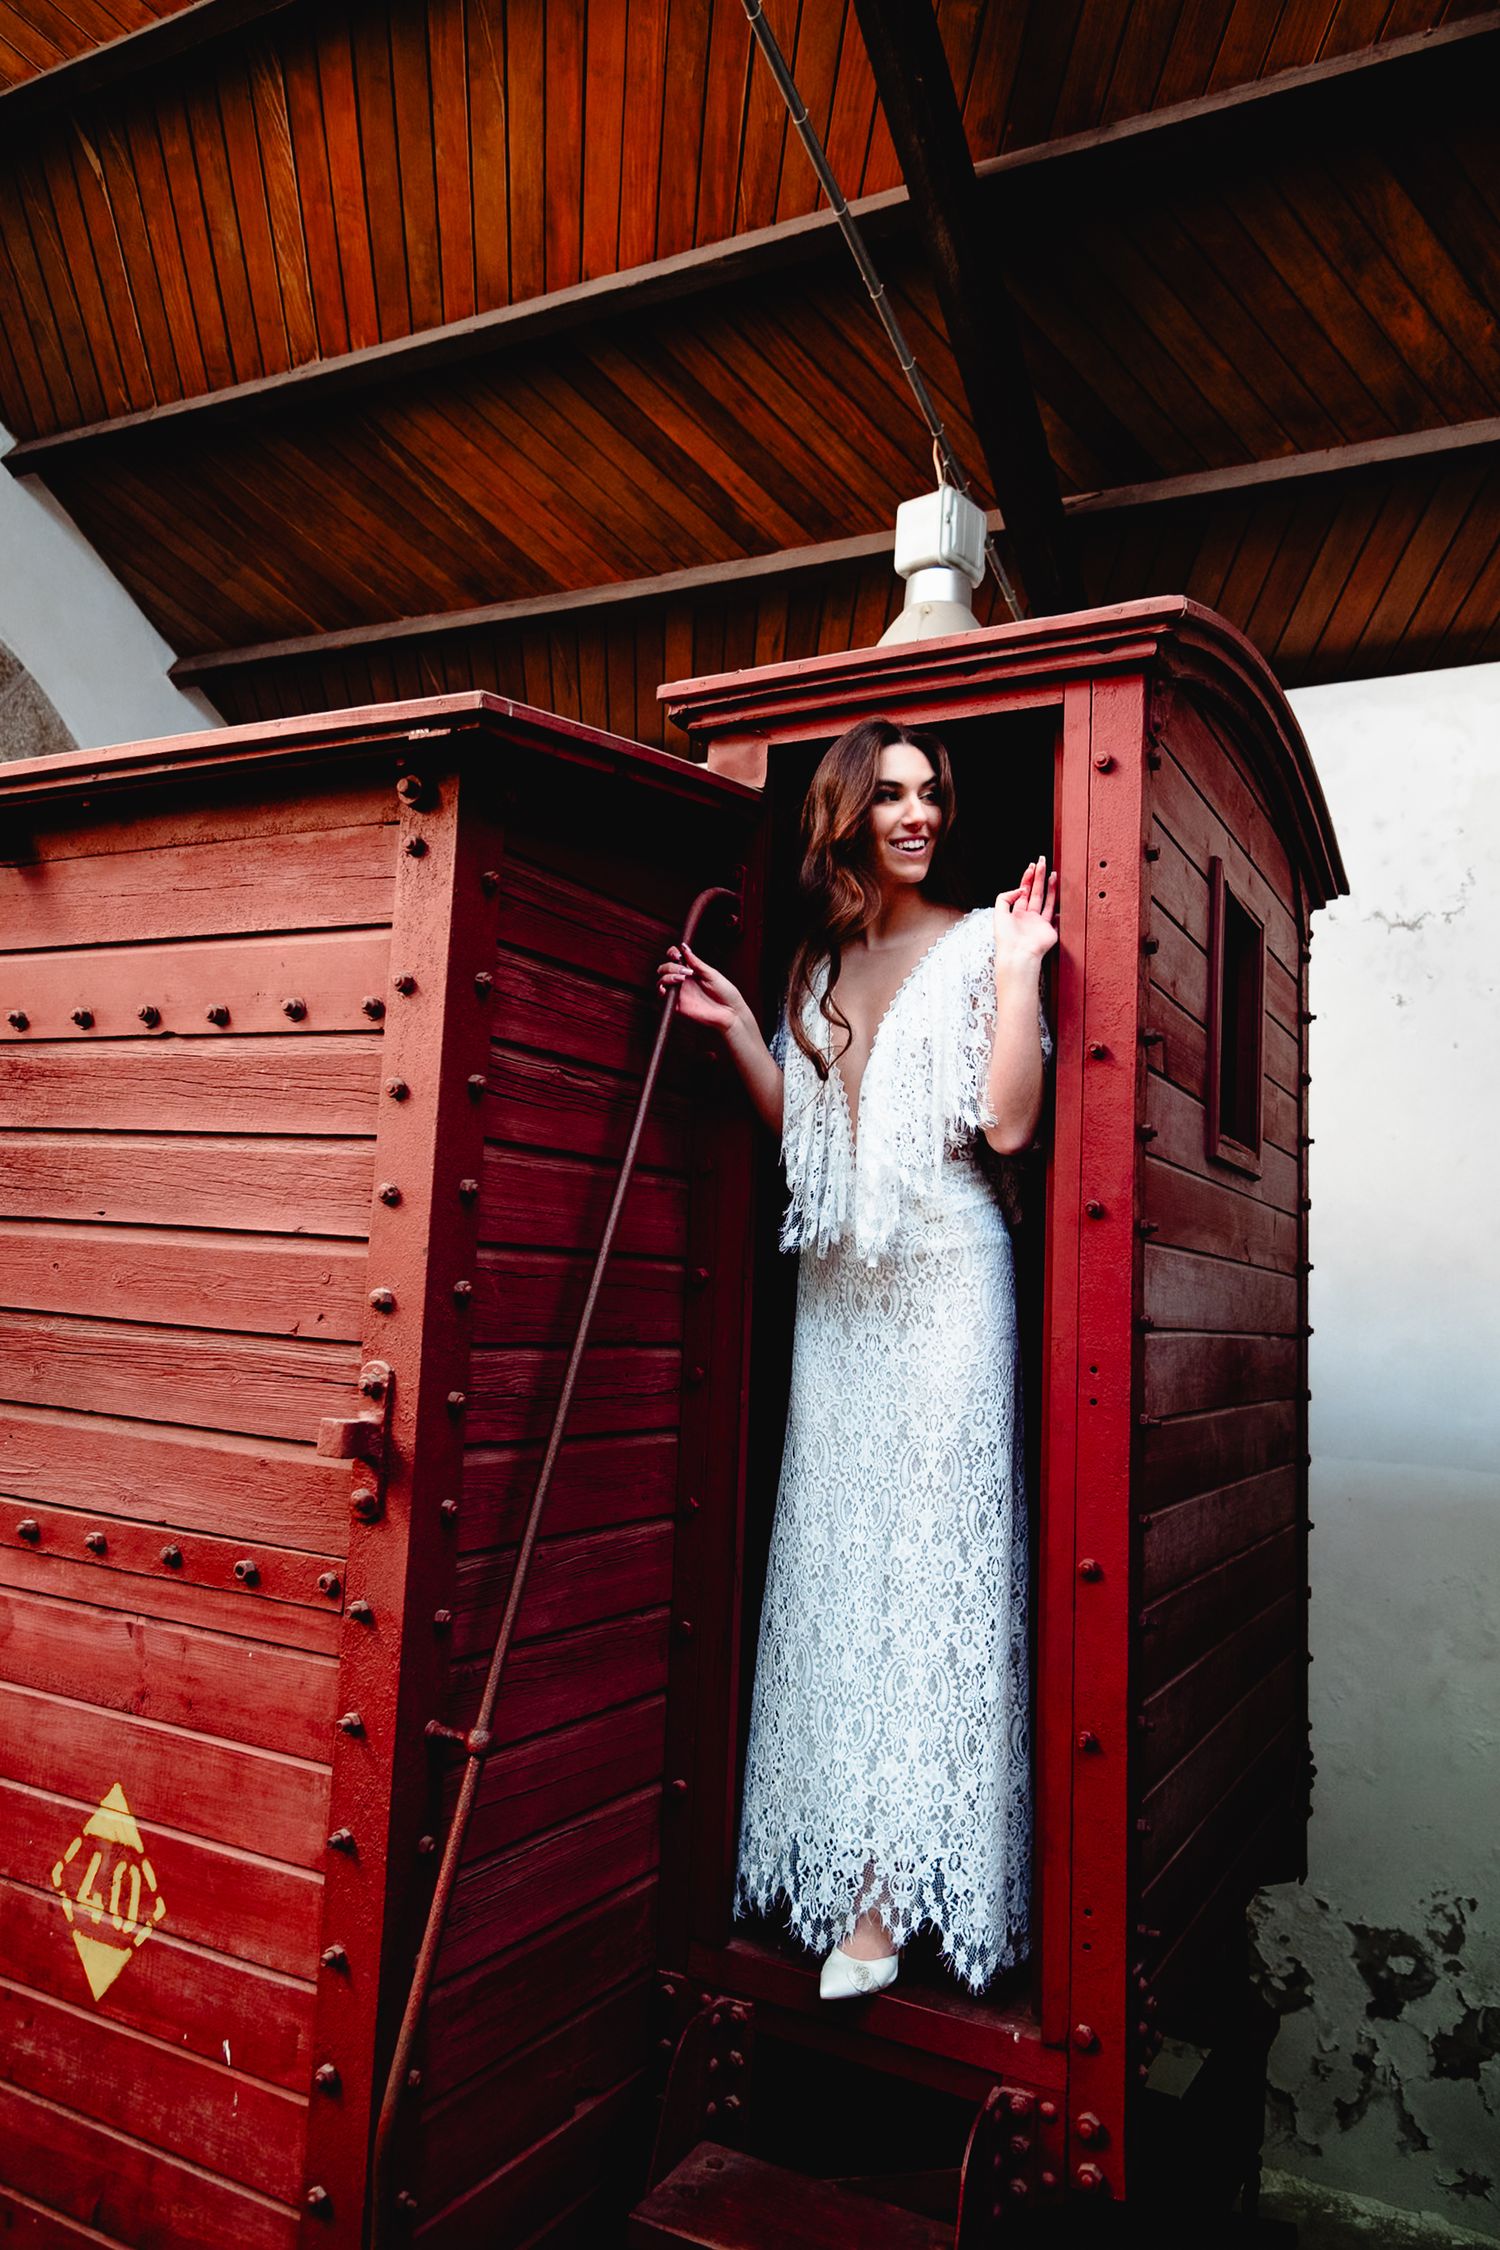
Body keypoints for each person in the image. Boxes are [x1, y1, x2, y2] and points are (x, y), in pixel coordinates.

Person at [657, 717, 1057, 2001]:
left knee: (926, 1582)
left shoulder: (987, 936)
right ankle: (836, 1872)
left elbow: (1004, 1122)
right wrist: (733, 1033)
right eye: (890, 794)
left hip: (949, 1286)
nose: (918, 812)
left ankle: (889, 1904)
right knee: (837, 1569)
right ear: (846, 814)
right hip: (837, 1300)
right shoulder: (810, 968)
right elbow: (815, 1145)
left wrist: (1026, 969)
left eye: (932, 791)